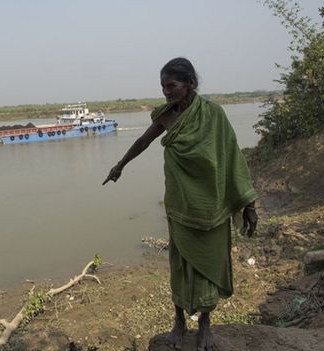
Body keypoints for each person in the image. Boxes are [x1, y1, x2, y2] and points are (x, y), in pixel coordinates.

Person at [102, 57, 258, 351]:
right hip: (180, 204)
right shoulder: (166, 116)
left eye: (171, 85)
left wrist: (248, 203)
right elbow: (143, 141)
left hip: (210, 204)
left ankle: (205, 325)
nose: (166, 92)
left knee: (209, 264)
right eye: (162, 86)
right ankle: (178, 323)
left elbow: (232, 156)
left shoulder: (213, 114)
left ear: (190, 84)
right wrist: (120, 165)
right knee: (180, 263)